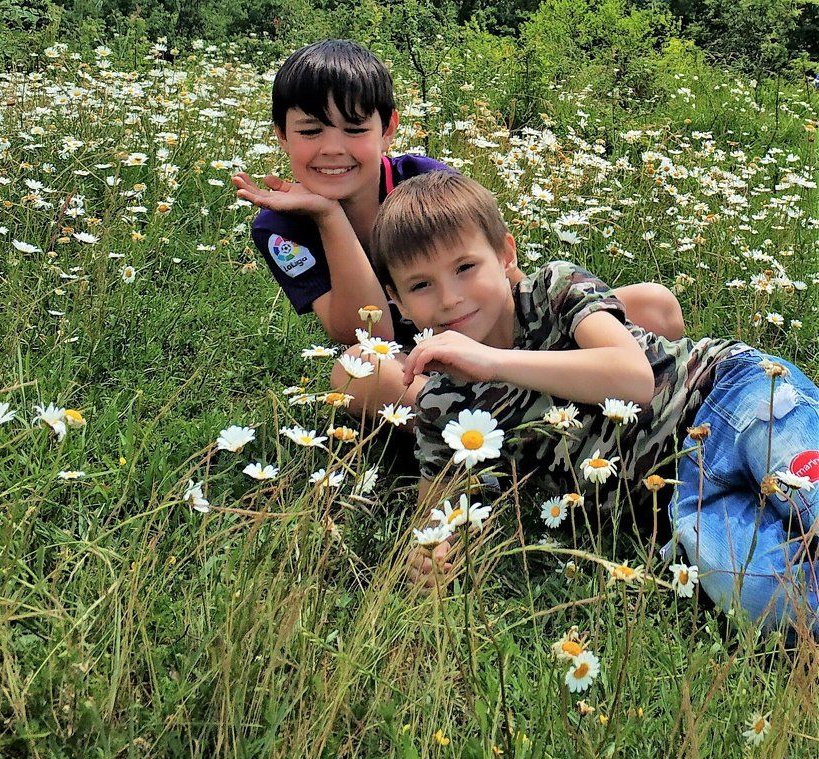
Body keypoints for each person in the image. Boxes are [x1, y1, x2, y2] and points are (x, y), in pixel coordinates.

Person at [370, 171, 818, 637]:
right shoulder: (443, 406)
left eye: (465, 268)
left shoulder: (554, 289)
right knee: (767, 597)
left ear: (505, 254)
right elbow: (435, 520)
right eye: (420, 285)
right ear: (397, 303)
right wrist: (431, 554)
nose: (449, 297)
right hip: (682, 502)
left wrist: (493, 362)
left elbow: (633, 379)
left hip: (728, 401)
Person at [233, 39, 685, 425]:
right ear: (281, 135)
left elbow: (507, 284)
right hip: (415, 365)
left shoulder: (422, 179)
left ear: (387, 130)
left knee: (655, 305)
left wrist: (504, 353)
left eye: (354, 129)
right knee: (356, 370)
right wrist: (328, 217)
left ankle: (528, 400)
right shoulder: (279, 226)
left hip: (487, 334)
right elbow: (369, 332)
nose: (333, 148)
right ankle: (488, 422)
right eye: (310, 130)